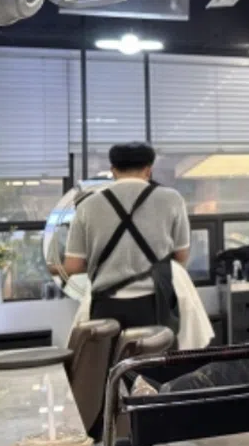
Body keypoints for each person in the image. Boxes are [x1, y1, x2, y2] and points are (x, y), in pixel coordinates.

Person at [64, 142, 190, 332]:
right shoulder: (172, 199)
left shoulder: (87, 206)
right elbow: (180, 257)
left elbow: (73, 266)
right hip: (155, 304)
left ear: (113, 171)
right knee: (153, 360)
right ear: (148, 170)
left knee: (111, 361)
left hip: (105, 306)